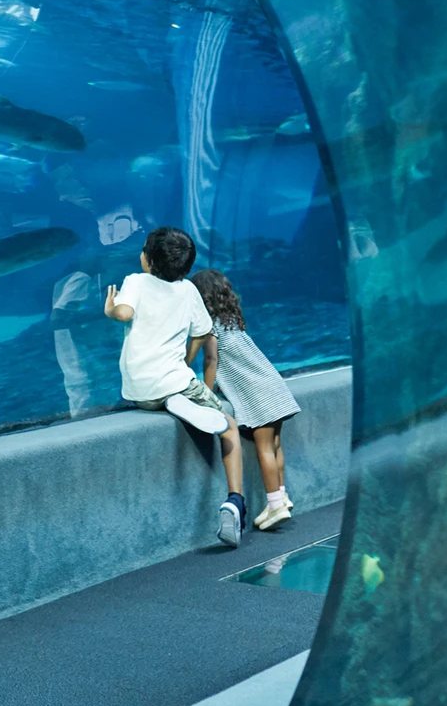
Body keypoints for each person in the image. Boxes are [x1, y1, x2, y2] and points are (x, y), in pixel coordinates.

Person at [104, 226, 250, 547]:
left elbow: (124, 313)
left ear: (149, 261)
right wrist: (186, 360)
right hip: (174, 378)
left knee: (168, 390)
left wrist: (111, 307)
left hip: (138, 392)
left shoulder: (136, 282)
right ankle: (235, 500)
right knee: (228, 426)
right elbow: (202, 332)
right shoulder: (188, 292)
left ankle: (170, 397)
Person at [190, 269, 302, 531]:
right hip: (273, 387)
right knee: (275, 445)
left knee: (263, 448)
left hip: (259, 396)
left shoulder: (210, 327)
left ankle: (275, 505)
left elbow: (211, 360)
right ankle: (282, 496)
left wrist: (206, 391)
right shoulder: (232, 323)